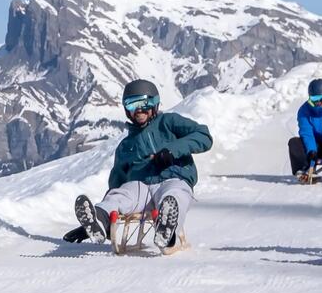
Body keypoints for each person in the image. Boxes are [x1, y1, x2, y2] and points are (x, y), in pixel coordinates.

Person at [66, 80, 214, 251]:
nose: (139, 110)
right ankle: (99, 219)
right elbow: (117, 182)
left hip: (173, 178)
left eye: (144, 103)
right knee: (121, 194)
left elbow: (203, 135)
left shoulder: (168, 122)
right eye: (131, 104)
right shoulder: (125, 146)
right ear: (126, 109)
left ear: (154, 104)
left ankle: (167, 228)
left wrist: (172, 151)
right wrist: (107, 216)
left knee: (175, 194)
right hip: (141, 187)